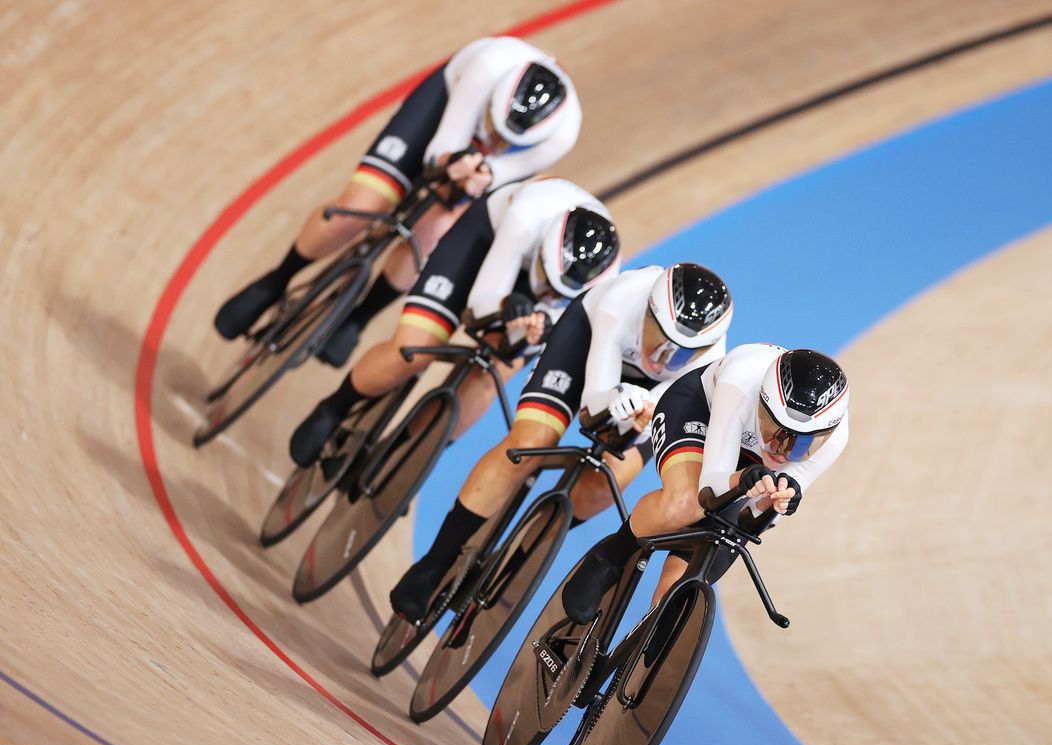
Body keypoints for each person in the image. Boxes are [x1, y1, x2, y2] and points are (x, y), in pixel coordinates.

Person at [385, 263, 735, 624]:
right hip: (586, 346)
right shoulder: (622, 298)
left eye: (677, 353)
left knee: (610, 478)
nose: (659, 356)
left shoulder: (710, 358)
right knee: (530, 441)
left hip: (657, 393)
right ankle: (435, 562)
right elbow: (593, 406)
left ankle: (513, 563)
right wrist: (615, 399)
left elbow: (664, 415)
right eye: (657, 338)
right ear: (648, 310)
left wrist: (639, 415)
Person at [213, 37, 582, 367]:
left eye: (507, 141)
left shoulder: (560, 136)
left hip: (496, 164)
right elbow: (442, 147)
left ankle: (358, 318)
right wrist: (450, 163)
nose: (495, 142)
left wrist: (480, 174)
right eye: (495, 130)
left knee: (437, 227)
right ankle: (276, 280)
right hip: (447, 106)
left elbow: (495, 176)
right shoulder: (485, 69)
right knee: (360, 206)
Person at [287, 175, 618, 468]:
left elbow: (561, 324)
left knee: (490, 375)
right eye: (546, 277)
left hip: (544, 298)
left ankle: (405, 455)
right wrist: (506, 303)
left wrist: (538, 326)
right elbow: (479, 304)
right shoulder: (527, 218)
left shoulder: (603, 281)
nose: (546, 286)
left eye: (555, 286)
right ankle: (333, 408)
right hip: (486, 245)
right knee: (413, 349)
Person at [559, 344, 850, 623]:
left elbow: (751, 523)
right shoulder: (741, 380)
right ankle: (610, 555)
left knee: (700, 567)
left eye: (798, 445)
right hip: (701, 412)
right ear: (762, 400)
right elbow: (709, 488)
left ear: (824, 435)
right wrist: (740, 479)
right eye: (773, 427)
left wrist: (772, 503)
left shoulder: (834, 442)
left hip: (748, 464)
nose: (778, 448)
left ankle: (640, 648)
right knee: (684, 504)